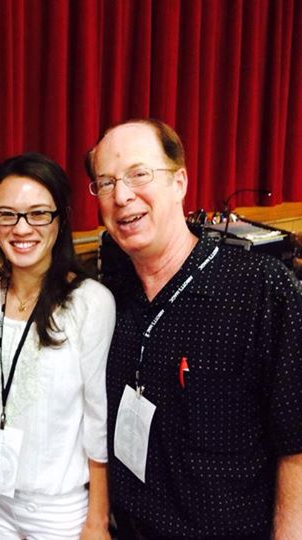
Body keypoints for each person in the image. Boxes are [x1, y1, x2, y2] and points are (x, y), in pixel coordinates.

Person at [85, 118, 302, 539]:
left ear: (180, 181)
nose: (122, 195)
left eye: (138, 174)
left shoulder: (260, 290)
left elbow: (295, 444)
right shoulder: (112, 292)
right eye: (106, 182)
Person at [0, 152, 116, 540]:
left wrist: (98, 520)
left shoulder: (89, 302)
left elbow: (98, 416)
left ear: (60, 219)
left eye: (37, 213)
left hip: (59, 509)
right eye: (7, 214)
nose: (21, 228)